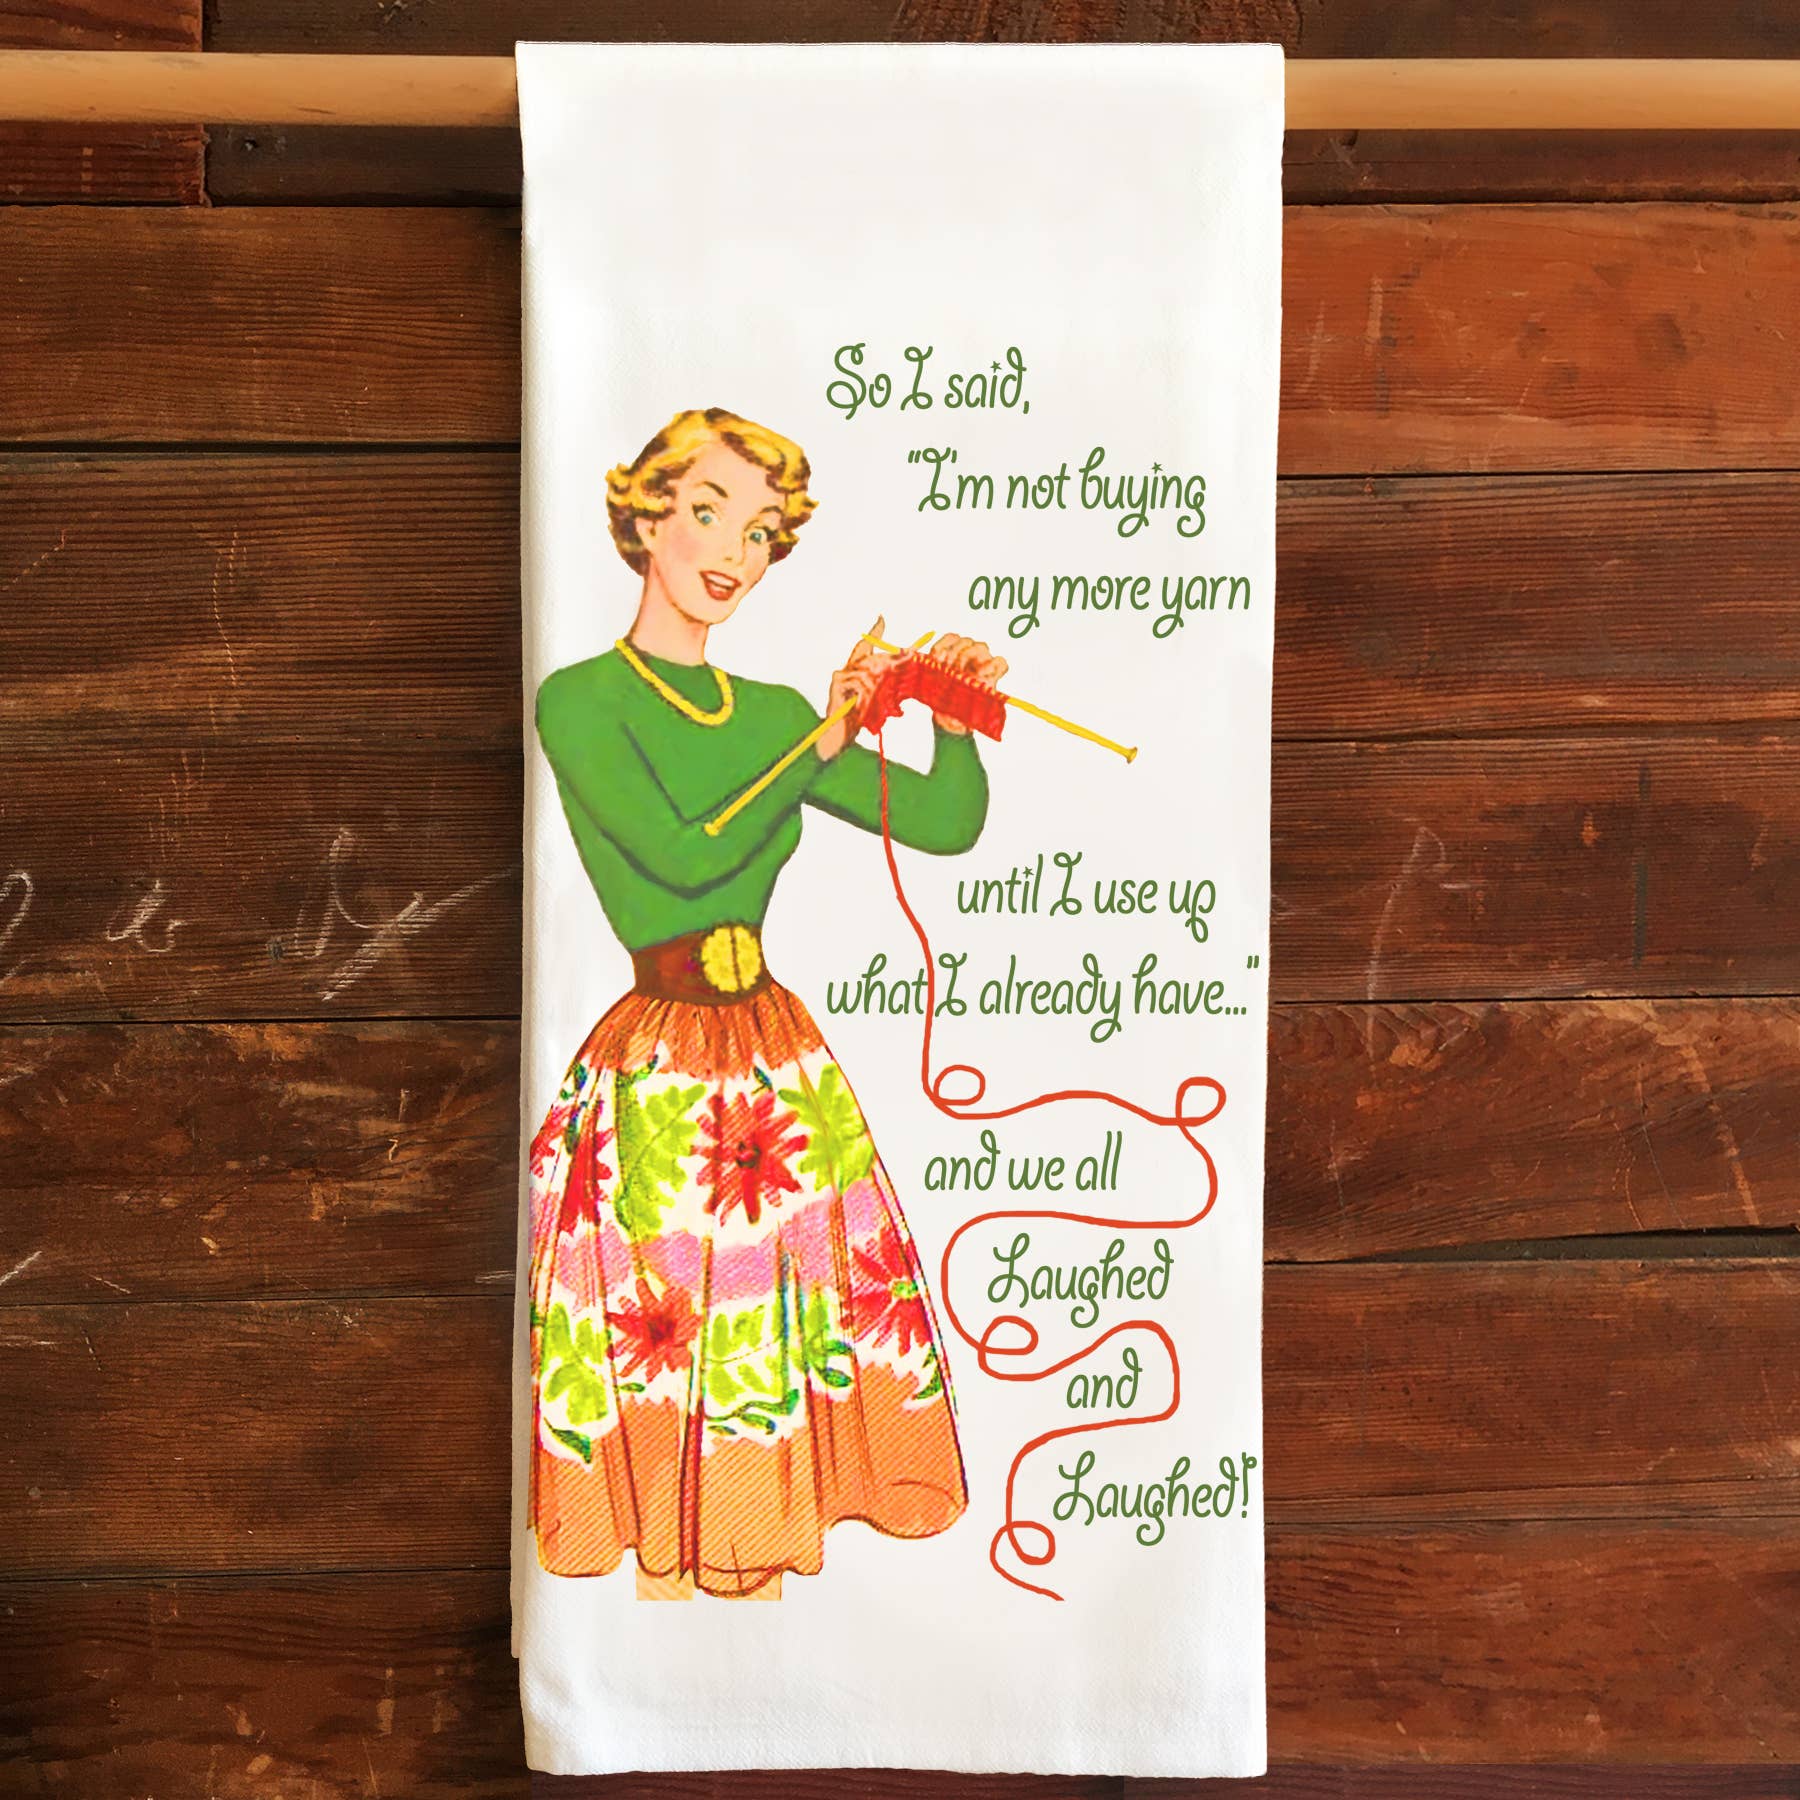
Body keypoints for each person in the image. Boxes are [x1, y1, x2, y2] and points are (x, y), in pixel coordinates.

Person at [527, 405, 1007, 1600]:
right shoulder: (580, 700)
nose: (734, 552)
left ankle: (751, 1613)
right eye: (708, 512)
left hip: (775, 1061)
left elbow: (942, 824)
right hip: (658, 1071)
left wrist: (951, 722)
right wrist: (820, 744)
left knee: (771, 1350)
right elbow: (682, 857)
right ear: (647, 521)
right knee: (674, 1349)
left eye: (760, 530)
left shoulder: (779, 716)